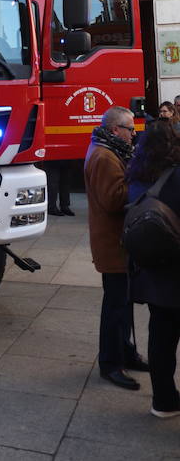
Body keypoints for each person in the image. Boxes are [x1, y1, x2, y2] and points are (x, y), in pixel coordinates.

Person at [84, 105, 148, 389]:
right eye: (130, 129)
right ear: (114, 130)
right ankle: (111, 364)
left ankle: (126, 352)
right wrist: (140, 180)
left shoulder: (110, 151)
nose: (134, 135)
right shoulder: (105, 156)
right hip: (113, 244)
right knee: (115, 306)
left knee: (124, 304)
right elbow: (113, 200)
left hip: (118, 243)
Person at [127, 120, 180, 418]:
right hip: (176, 268)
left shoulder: (136, 175)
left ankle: (163, 401)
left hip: (150, 269)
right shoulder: (176, 177)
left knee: (160, 337)